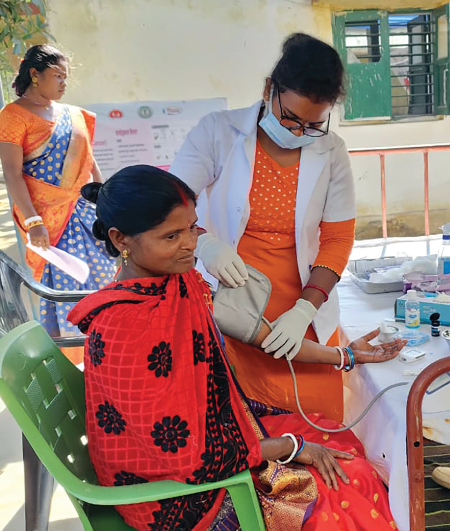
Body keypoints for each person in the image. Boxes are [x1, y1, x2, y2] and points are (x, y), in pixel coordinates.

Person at [68, 165, 403, 531]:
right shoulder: (124, 326)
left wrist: (345, 355)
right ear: (121, 240)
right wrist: (291, 446)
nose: (191, 244)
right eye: (171, 236)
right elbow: (182, 456)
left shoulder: (177, 283)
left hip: (213, 447)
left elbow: (258, 333)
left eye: (193, 228)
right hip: (179, 495)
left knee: (341, 443)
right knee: (347, 483)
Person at [170, 33, 356, 421]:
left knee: (320, 433)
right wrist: (203, 243)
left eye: (313, 124)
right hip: (235, 302)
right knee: (249, 432)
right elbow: (171, 202)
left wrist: (306, 307)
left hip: (304, 307)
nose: (299, 132)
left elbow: (337, 238)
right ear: (269, 88)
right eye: (290, 117)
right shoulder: (217, 133)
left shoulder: (332, 151)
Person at [0, 45, 116, 348]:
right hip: (50, 224)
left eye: (66, 77)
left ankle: (110, 344)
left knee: (105, 279)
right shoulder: (13, 116)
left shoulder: (73, 115)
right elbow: (13, 174)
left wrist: (105, 205)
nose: (64, 83)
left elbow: (90, 163)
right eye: (57, 75)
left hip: (87, 216)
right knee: (65, 290)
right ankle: (74, 359)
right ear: (35, 75)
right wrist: (33, 221)